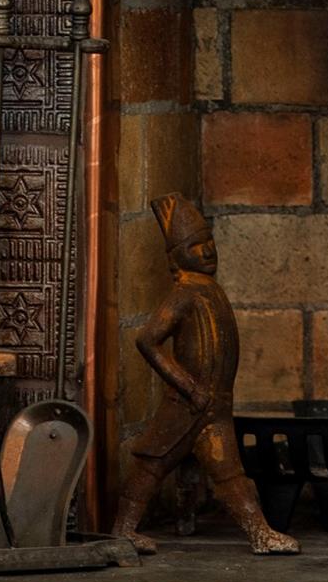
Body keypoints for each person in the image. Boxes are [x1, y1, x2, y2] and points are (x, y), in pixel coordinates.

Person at [110, 193, 299, 555]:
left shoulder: (209, 290)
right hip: (187, 403)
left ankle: (260, 533)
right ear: (176, 255)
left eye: (209, 242)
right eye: (196, 245)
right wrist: (187, 386)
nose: (208, 251)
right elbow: (147, 340)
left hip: (213, 405)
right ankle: (122, 530)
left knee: (229, 473)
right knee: (152, 462)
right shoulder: (184, 294)